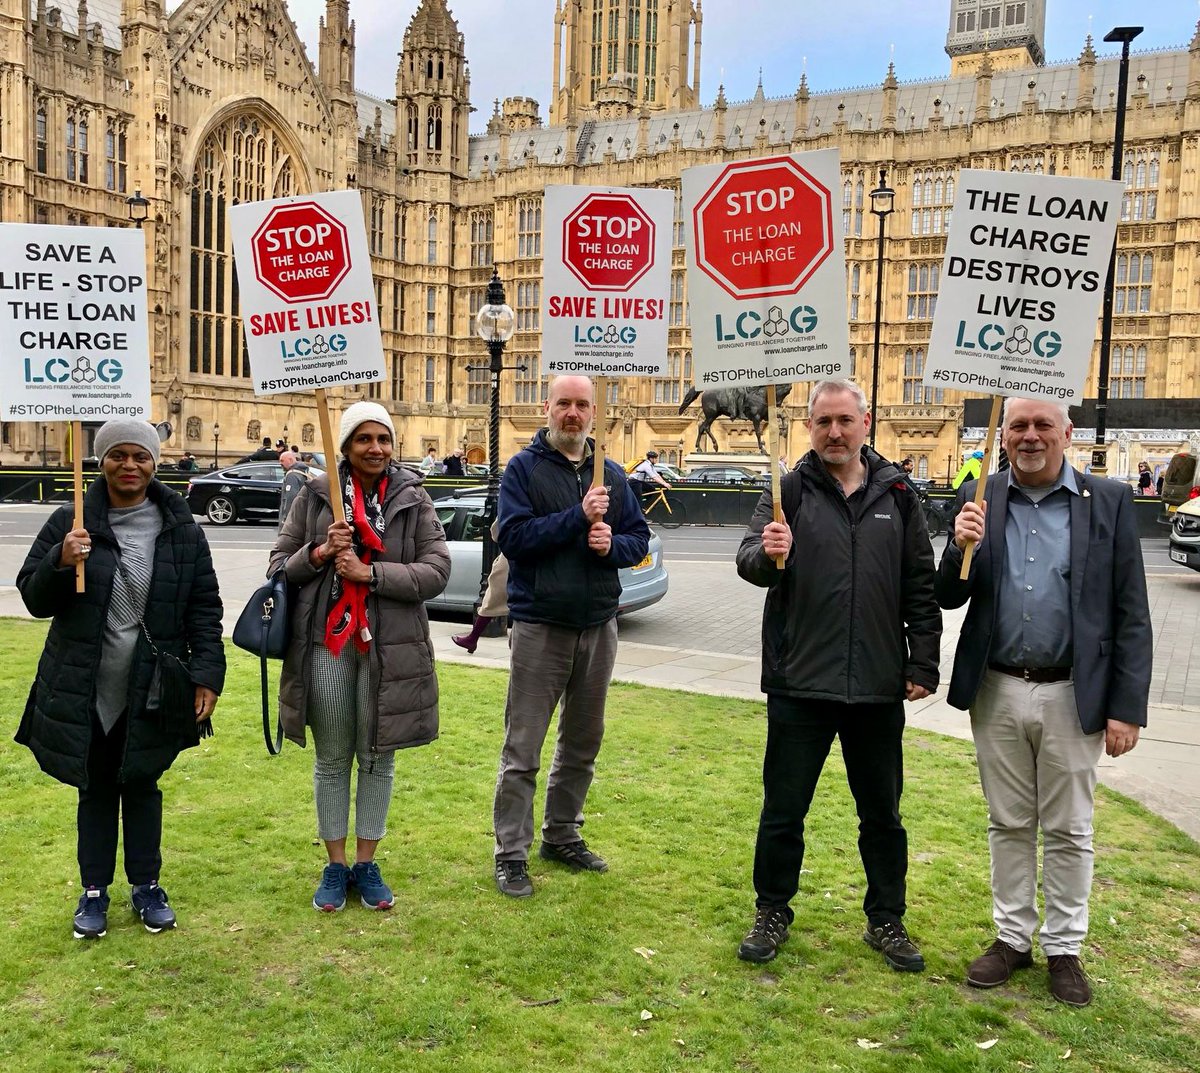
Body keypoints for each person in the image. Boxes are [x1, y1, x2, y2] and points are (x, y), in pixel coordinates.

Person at [935, 397, 1151, 1007]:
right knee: (1008, 822)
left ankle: (1064, 948)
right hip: (997, 687)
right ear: (1002, 436)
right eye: (1018, 427)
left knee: (1069, 829)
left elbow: (1132, 611)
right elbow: (948, 596)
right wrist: (957, 546)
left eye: (1042, 427)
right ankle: (1012, 937)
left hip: (1072, 690)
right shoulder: (981, 497)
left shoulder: (1106, 501)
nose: (1030, 437)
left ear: (1067, 434)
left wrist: (1126, 705)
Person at [733, 378, 941, 970]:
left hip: (877, 683)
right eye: (823, 422)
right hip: (801, 679)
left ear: (865, 422)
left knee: (882, 814)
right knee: (783, 810)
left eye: (845, 421)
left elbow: (920, 587)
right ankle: (772, 909)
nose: (834, 432)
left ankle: (887, 919)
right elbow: (751, 563)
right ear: (809, 427)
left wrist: (922, 660)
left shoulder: (898, 493)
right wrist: (770, 552)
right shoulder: (788, 489)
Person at [16, 418, 225, 940]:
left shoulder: (182, 530)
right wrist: (61, 561)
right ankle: (93, 893)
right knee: (96, 788)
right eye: (118, 455)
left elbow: (204, 610)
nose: (129, 465)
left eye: (141, 456)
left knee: (142, 784)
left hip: (154, 682)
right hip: (86, 681)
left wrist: (207, 677)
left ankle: (147, 886)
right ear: (101, 459)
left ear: (155, 463)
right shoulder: (71, 521)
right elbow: (34, 598)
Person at [270, 402, 450, 913]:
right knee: (332, 761)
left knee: (377, 758)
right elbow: (280, 565)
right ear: (345, 446)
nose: (376, 448)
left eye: (384, 439)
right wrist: (322, 554)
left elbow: (435, 571)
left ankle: (367, 864)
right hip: (327, 648)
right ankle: (335, 865)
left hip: (389, 650)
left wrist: (370, 574)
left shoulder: (412, 498)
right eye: (365, 439)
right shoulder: (314, 495)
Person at [491, 375, 650, 898]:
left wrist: (613, 545)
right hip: (541, 626)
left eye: (584, 405)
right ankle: (511, 853)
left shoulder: (611, 473)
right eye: (565, 404)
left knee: (582, 743)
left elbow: (638, 538)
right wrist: (576, 518)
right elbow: (513, 538)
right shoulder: (523, 469)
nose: (574, 414)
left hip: (599, 623)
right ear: (547, 408)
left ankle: (561, 834)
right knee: (524, 749)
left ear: (593, 414)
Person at [452, 521, 508, 654]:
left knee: (492, 599)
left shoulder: (514, 503)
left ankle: (472, 638)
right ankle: (472, 638)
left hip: (513, 558)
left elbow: (495, 533)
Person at [277, 449, 312, 529]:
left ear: (290, 460)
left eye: (282, 461)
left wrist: (286, 519)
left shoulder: (292, 475)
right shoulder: (303, 472)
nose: (280, 464)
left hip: (291, 521)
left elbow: (291, 498)